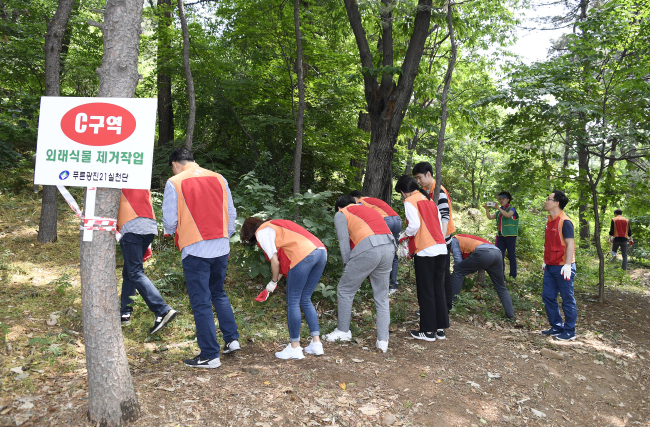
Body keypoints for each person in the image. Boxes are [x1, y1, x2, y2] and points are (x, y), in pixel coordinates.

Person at [163, 147, 240, 368]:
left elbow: (169, 220)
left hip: (195, 249)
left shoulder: (174, 182)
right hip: (221, 246)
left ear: (175, 164)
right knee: (218, 292)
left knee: (201, 301)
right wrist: (225, 236)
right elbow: (232, 213)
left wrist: (172, 232)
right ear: (193, 161)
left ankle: (209, 355)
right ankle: (232, 340)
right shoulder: (219, 178)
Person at [240, 217, 327, 360]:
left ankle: (295, 347)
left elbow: (275, 261)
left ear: (249, 233)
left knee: (293, 301)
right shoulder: (275, 225)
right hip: (320, 251)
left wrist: (274, 280)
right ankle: (316, 344)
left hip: (303, 254)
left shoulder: (261, 232)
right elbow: (282, 263)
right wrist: (273, 283)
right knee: (305, 299)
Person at [324, 195, 395, 353]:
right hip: (389, 247)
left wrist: (347, 266)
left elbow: (344, 243)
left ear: (338, 208)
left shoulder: (341, 214)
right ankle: (383, 341)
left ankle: (343, 331)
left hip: (369, 247)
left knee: (345, 289)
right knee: (382, 296)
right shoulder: (368, 209)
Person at [394, 175, 448, 342]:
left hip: (425, 249)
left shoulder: (410, 202)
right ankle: (440, 328)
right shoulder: (430, 201)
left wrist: (403, 235)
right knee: (438, 288)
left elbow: (414, 226)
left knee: (426, 290)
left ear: (404, 192)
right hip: (441, 247)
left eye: (401, 193)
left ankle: (428, 331)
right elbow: (439, 224)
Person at [117, 189, 177, 334]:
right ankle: (125, 313)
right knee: (129, 271)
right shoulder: (140, 177)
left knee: (135, 272)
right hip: (149, 225)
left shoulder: (121, 178)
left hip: (131, 224)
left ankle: (162, 309)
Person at [412, 162, 455, 312]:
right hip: (435, 239)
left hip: (441, 239)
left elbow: (445, 216)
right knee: (439, 275)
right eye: (416, 178)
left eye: (419, 177)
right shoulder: (425, 190)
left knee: (442, 275)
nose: (418, 181)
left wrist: (440, 241)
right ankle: (439, 307)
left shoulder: (439, 191)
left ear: (428, 174)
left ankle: (444, 307)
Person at [449, 234, 515, 320]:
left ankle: (450, 304)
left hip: (484, 252)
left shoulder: (454, 240)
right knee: (501, 286)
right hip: (497, 253)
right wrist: (470, 271)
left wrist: (462, 271)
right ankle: (510, 316)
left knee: (458, 271)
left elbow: (458, 262)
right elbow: (476, 262)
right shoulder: (468, 240)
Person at [349, 190, 403, 294]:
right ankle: (392, 285)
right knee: (393, 253)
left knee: (379, 251)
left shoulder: (360, 202)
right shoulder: (372, 200)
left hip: (386, 221)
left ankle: (379, 284)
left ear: (355, 198)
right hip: (397, 220)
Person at [541, 190, 576, 341]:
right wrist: (545, 260)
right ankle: (556, 326)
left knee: (567, 299)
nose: (545, 201)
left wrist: (568, 265)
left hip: (563, 267)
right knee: (548, 296)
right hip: (550, 265)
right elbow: (549, 243)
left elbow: (570, 244)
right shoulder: (550, 220)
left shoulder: (565, 221)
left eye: (548, 199)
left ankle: (569, 331)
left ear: (556, 203)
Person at [484, 192, 519, 279]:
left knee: (511, 255)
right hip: (500, 236)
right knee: (499, 256)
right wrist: (487, 209)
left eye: (503, 198)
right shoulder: (499, 211)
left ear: (508, 200)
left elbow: (507, 215)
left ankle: (512, 275)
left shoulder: (512, 209)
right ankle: (501, 275)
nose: (501, 200)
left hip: (510, 236)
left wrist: (498, 208)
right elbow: (490, 217)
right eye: (500, 199)